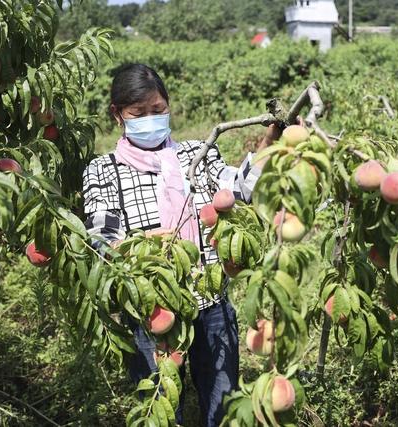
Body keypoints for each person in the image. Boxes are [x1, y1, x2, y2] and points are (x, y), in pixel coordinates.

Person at [81, 63, 279, 426]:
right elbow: (101, 241)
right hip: (150, 314)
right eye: (138, 114)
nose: (150, 120)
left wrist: (270, 144)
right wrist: (148, 244)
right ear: (117, 115)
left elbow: (239, 190)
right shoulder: (103, 169)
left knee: (222, 407)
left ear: (169, 106)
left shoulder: (194, 155)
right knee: (160, 411)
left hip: (210, 305)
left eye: (158, 111)